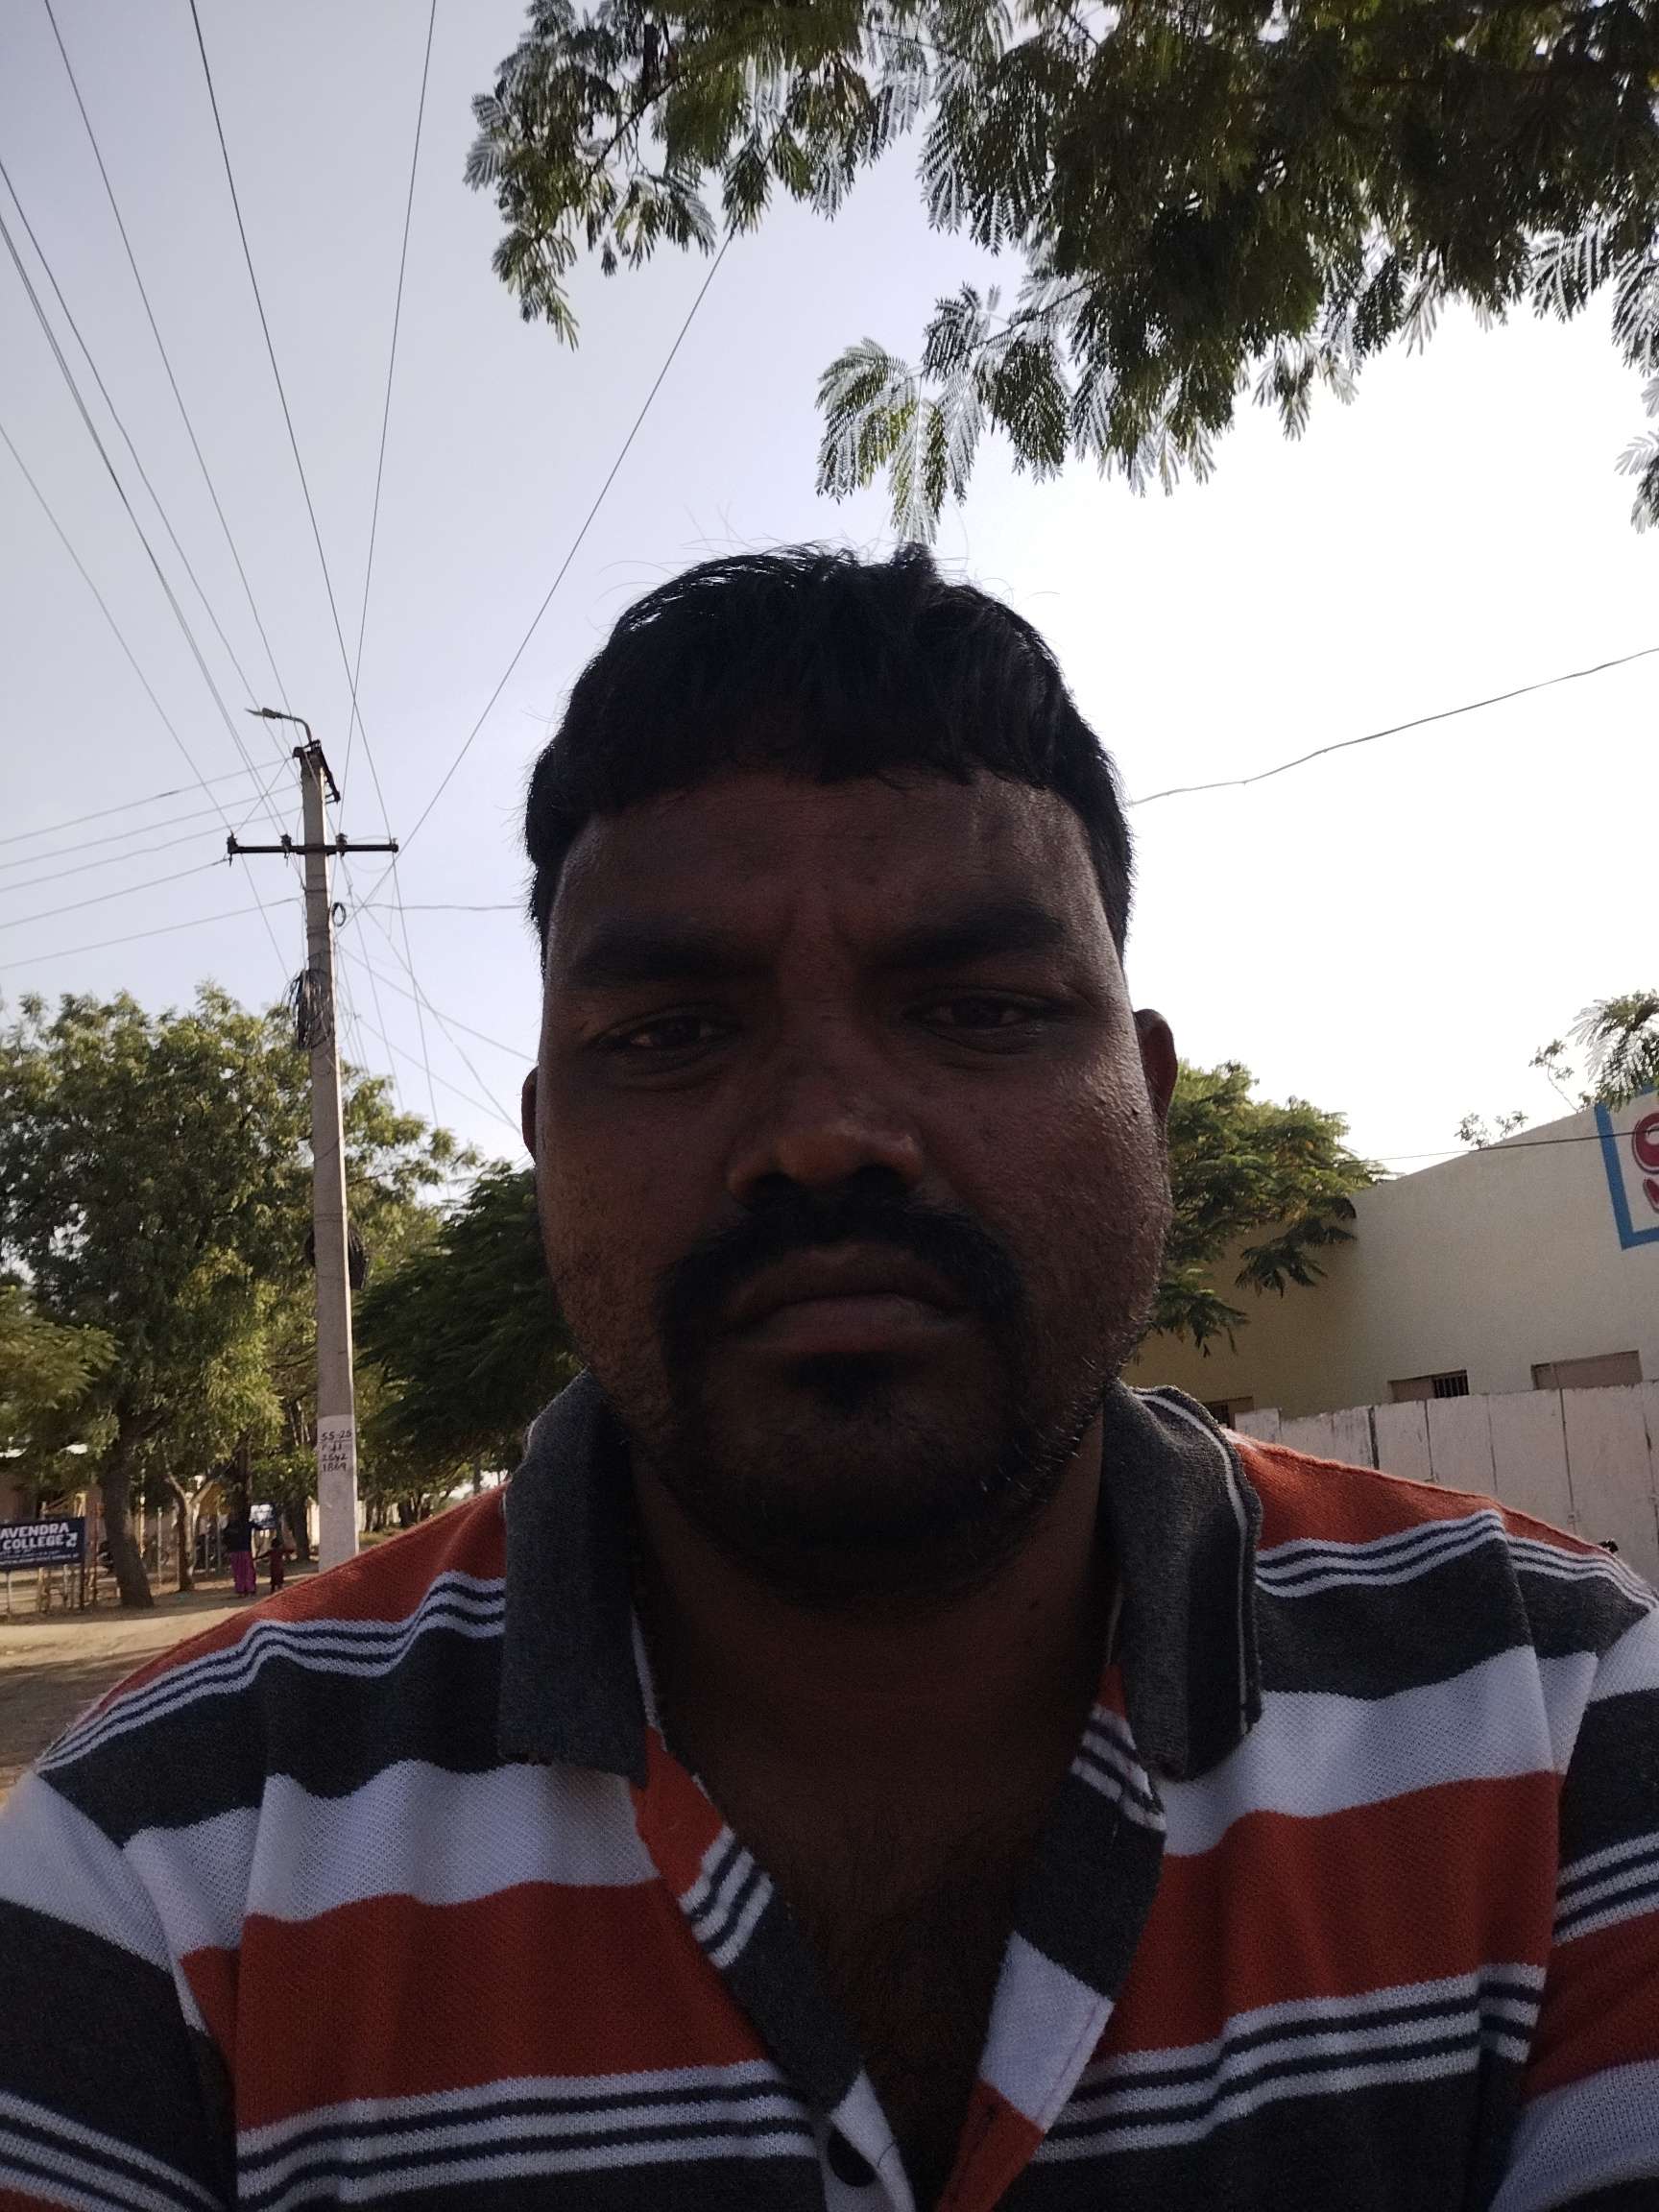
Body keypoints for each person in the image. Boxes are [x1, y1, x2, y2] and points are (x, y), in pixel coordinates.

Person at [1, 548, 1655, 2212]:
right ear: (546, 1145)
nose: (823, 1130)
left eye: (980, 1006)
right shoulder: (163, 1850)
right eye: (669, 1032)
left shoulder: (1562, 1716)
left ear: (1145, 1102)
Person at [221, 1503, 254, 1599]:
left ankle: (243, 1589)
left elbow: (225, 1539)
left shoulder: (229, 1528)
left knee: (240, 1572)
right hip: (243, 1551)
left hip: (236, 1552)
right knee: (245, 1571)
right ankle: (247, 1589)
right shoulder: (245, 1525)